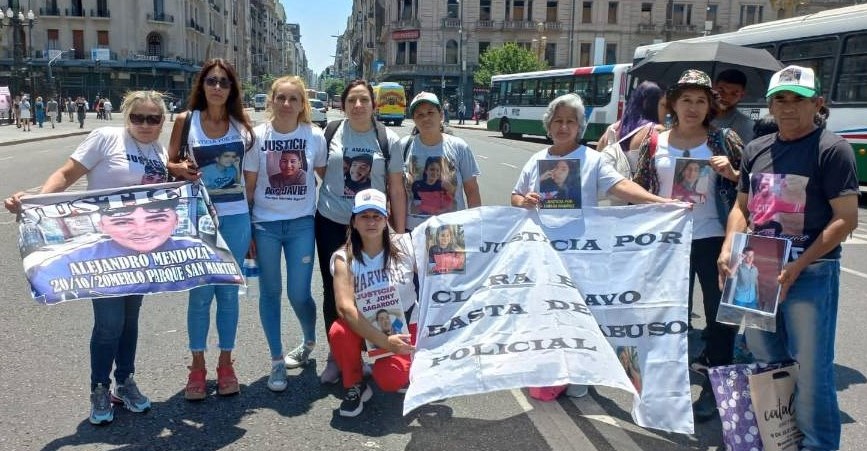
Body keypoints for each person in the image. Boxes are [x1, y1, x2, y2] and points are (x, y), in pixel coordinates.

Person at [4, 90, 168, 426]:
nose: (145, 124)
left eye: (153, 118)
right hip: (103, 249)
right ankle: (99, 387)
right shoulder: (106, 137)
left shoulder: (159, 151)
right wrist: (36, 203)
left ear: (162, 121)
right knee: (109, 323)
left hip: (140, 249)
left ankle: (125, 381)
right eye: (138, 117)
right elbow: (66, 174)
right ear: (126, 116)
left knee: (130, 320)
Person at [718, 65, 858, 450]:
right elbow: (742, 208)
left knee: (812, 370)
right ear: (770, 105)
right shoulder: (756, 149)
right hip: (758, 269)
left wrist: (800, 263)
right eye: (780, 99)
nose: (788, 107)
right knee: (766, 361)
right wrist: (729, 245)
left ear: (818, 103)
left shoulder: (833, 149)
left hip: (811, 272)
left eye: (799, 99)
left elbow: (846, 219)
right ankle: (779, 439)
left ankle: (818, 445)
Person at [512, 92, 673, 398]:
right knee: (547, 312)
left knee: (580, 314)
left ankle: (580, 373)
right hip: (544, 253)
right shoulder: (536, 160)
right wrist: (525, 200)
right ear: (548, 125)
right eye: (558, 121)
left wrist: (660, 202)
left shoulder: (592, 160)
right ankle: (550, 367)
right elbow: (516, 195)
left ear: (580, 126)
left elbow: (621, 186)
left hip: (582, 255)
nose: (563, 127)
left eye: (570, 121)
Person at [631, 69, 743, 422]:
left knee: (719, 317)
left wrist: (734, 173)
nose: (692, 108)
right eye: (686, 100)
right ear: (673, 104)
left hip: (714, 239)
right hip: (667, 241)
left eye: (700, 101)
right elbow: (638, 188)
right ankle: (667, 387)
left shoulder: (724, 140)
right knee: (668, 317)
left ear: (710, 106)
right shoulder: (654, 141)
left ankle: (717, 390)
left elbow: (753, 189)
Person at [167, 58, 254, 401]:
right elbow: (168, 164)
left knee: (229, 294)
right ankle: (198, 366)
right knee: (200, 294)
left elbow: (250, 178)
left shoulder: (242, 127)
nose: (217, 87)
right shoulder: (185, 121)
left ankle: (226, 363)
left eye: (224, 82)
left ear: (232, 89)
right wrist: (180, 169)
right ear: (201, 85)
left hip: (236, 218)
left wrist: (252, 225)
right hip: (198, 218)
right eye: (211, 81)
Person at [315, 79, 406, 385]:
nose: (357, 105)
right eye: (351, 100)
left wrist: (400, 232)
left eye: (364, 100)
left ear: (373, 105)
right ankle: (337, 357)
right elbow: (323, 172)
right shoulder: (331, 133)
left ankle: (376, 351)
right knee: (333, 290)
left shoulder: (388, 139)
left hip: (371, 226)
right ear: (343, 105)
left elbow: (396, 187)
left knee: (374, 287)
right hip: (331, 221)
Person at [244, 75, 327, 392]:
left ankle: (308, 341)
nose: (287, 104)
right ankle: (277, 361)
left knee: (298, 293)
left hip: (301, 224)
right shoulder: (257, 136)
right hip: (264, 225)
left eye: (294, 98)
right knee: (270, 292)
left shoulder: (314, 136)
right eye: (281, 97)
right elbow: (249, 188)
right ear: (272, 101)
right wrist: (248, 229)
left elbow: (327, 180)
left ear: (302, 104)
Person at [329, 188, 417, 417]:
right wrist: (386, 342)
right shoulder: (343, 258)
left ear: (386, 220)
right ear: (354, 221)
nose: (371, 222)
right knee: (339, 331)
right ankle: (355, 383)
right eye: (364, 216)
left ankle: (411, 365)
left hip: (403, 325)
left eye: (377, 216)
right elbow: (345, 308)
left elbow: (440, 272)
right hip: (367, 327)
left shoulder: (407, 245)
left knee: (390, 380)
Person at [402, 91, 481, 230]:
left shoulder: (459, 147)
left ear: (441, 115)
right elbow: (396, 193)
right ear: (413, 119)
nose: (426, 118)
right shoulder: (403, 146)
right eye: (420, 114)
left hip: (451, 231)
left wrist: (476, 228)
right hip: (413, 232)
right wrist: (399, 230)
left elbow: (472, 190)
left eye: (430, 112)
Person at [595, 81, 665, 174]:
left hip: (611, 181)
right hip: (636, 183)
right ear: (652, 104)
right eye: (663, 105)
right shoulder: (656, 130)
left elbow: (598, 158)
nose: (666, 111)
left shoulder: (612, 129)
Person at [711, 69, 755, 143]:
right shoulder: (698, 116)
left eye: (734, 94)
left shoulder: (746, 126)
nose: (726, 97)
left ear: (741, 95)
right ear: (713, 88)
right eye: (721, 90)